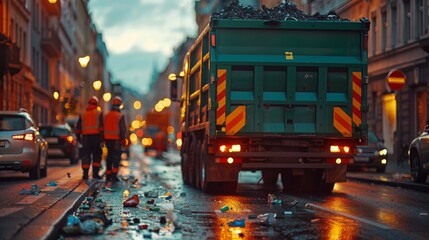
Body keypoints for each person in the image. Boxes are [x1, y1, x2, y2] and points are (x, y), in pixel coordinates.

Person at [75, 96, 103, 180]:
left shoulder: (83, 113)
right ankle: (95, 174)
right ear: (96, 104)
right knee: (97, 156)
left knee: (86, 156)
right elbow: (101, 127)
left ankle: (85, 174)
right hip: (96, 137)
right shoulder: (99, 113)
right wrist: (102, 139)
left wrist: (79, 138)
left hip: (86, 138)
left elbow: (78, 127)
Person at [104, 96, 127, 183]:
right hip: (116, 140)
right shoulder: (120, 115)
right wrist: (123, 139)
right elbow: (122, 129)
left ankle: (108, 175)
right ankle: (114, 176)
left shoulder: (107, 115)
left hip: (108, 140)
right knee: (116, 157)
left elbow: (103, 128)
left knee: (109, 157)